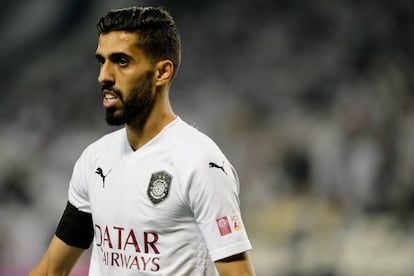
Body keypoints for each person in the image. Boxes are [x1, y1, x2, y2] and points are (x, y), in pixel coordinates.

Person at [29, 6, 255, 276]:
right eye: (102, 61)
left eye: (122, 61)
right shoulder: (95, 160)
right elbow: (51, 270)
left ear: (162, 72)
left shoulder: (202, 164)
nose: (104, 76)